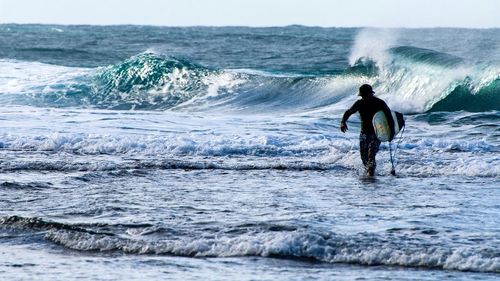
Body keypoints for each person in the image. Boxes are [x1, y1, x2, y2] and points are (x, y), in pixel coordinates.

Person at [340, 84, 394, 176]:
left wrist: (391, 132)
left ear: (370, 94)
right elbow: (349, 112)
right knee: (363, 157)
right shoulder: (360, 103)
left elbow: (389, 118)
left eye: (365, 95)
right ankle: (369, 172)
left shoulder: (380, 103)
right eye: (362, 96)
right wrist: (343, 122)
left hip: (377, 133)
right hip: (364, 133)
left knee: (371, 154)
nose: (363, 97)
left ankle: (371, 174)